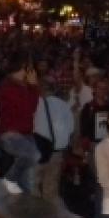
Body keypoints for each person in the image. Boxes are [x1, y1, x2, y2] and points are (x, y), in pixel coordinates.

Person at [0, 60, 42, 194]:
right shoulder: (9, 87)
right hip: (12, 134)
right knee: (33, 155)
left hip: (26, 133)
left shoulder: (21, 86)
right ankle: (9, 178)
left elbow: (32, 108)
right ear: (22, 69)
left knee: (28, 180)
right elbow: (27, 108)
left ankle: (23, 206)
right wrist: (33, 87)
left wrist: (32, 87)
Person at [33, 76, 75, 205]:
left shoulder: (35, 104)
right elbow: (70, 129)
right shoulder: (64, 105)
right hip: (57, 153)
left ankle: (34, 217)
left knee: (33, 186)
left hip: (38, 151)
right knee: (51, 189)